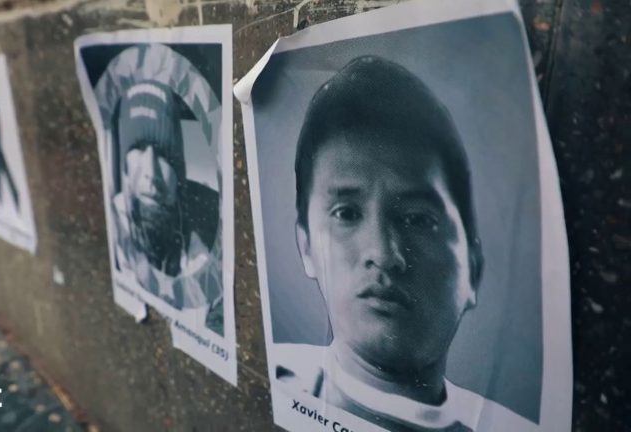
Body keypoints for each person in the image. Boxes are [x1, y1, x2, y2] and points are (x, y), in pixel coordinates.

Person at [274, 56, 489, 431]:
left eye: (418, 219)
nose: (384, 254)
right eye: (346, 214)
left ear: (473, 267)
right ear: (306, 247)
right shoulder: (270, 378)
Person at [112, 80, 223, 334]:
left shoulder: (205, 261)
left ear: (179, 176)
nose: (151, 172)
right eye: (138, 148)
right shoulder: (114, 230)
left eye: (163, 154)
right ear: (125, 168)